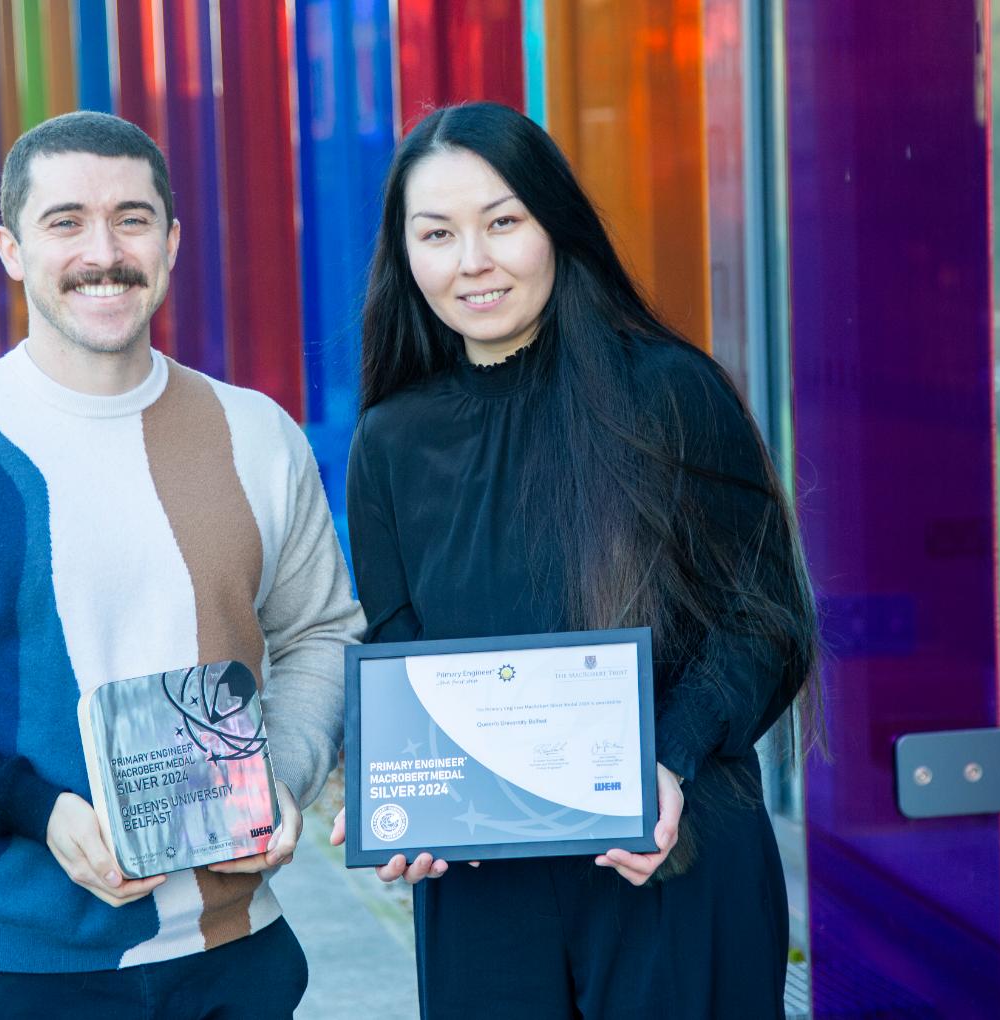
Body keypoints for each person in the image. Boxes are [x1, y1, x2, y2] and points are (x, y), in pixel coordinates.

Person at [0, 110, 362, 1018]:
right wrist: (36, 810)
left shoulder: (257, 434)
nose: (103, 251)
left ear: (171, 240)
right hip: (23, 971)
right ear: (11, 248)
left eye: (131, 218)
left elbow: (321, 633)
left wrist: (282, 780)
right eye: (65, 222)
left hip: (238, 958)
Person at [330, 102, 821, 1018]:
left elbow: (762, 623)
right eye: (436, 234)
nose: (471, 261)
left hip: (669, 858)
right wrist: (397, 795)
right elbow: (405, 660)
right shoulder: (389, 441)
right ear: (405, 257)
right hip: (482, 885)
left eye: (502, 222)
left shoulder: (668, 390)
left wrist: (666, 763)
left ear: (555, 225)